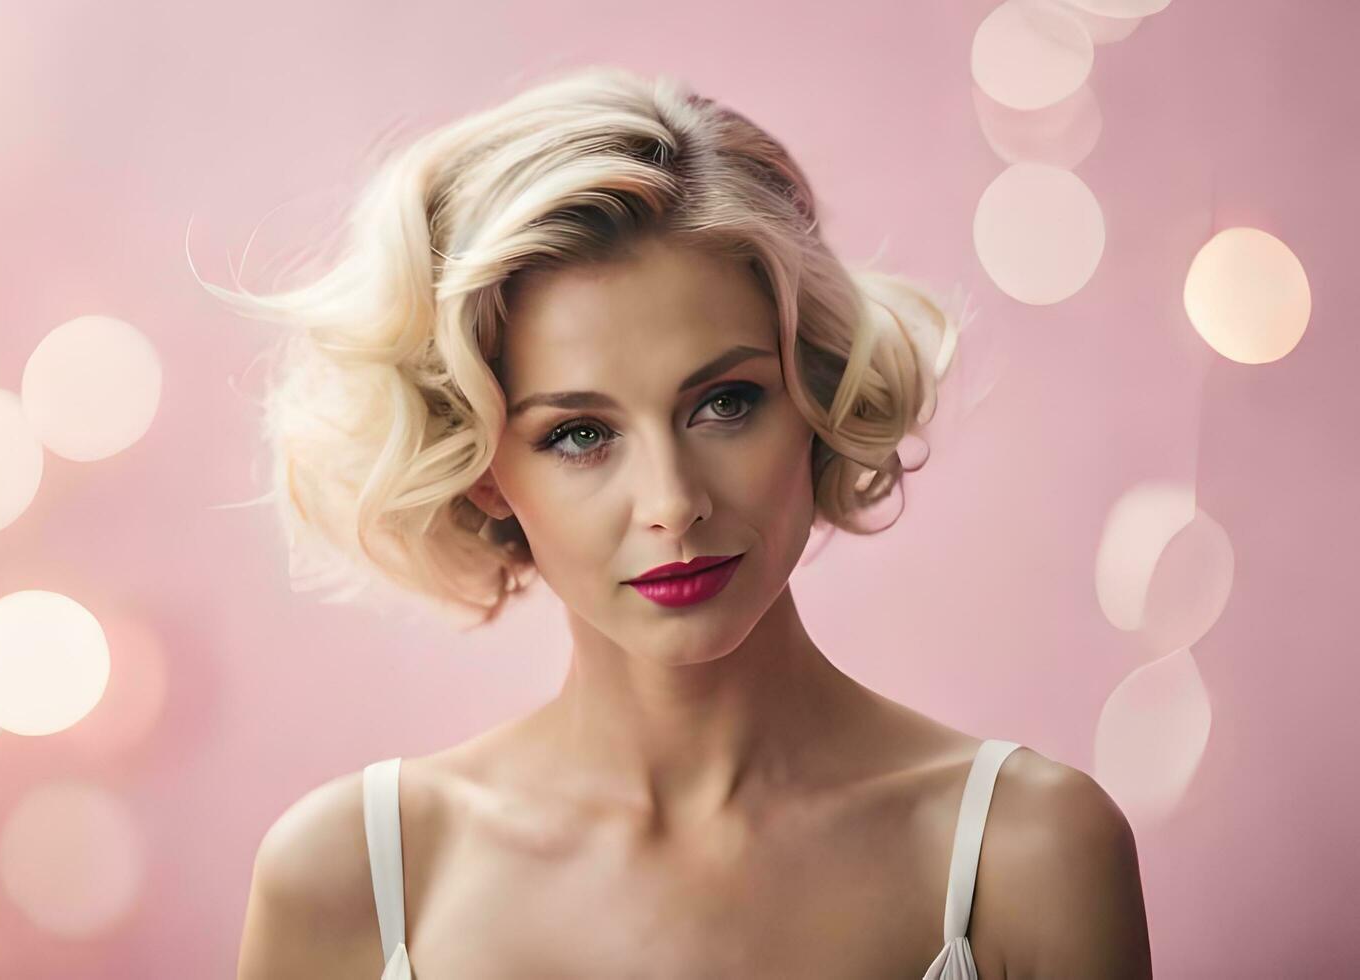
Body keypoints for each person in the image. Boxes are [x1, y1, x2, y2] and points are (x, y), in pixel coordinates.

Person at [212, 65, 1152, 978]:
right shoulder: (357, 882)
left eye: (726, 403)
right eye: (579, 433)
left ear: (814, 399)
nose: (672, 503)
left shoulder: (1026, 856)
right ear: (482, 470)